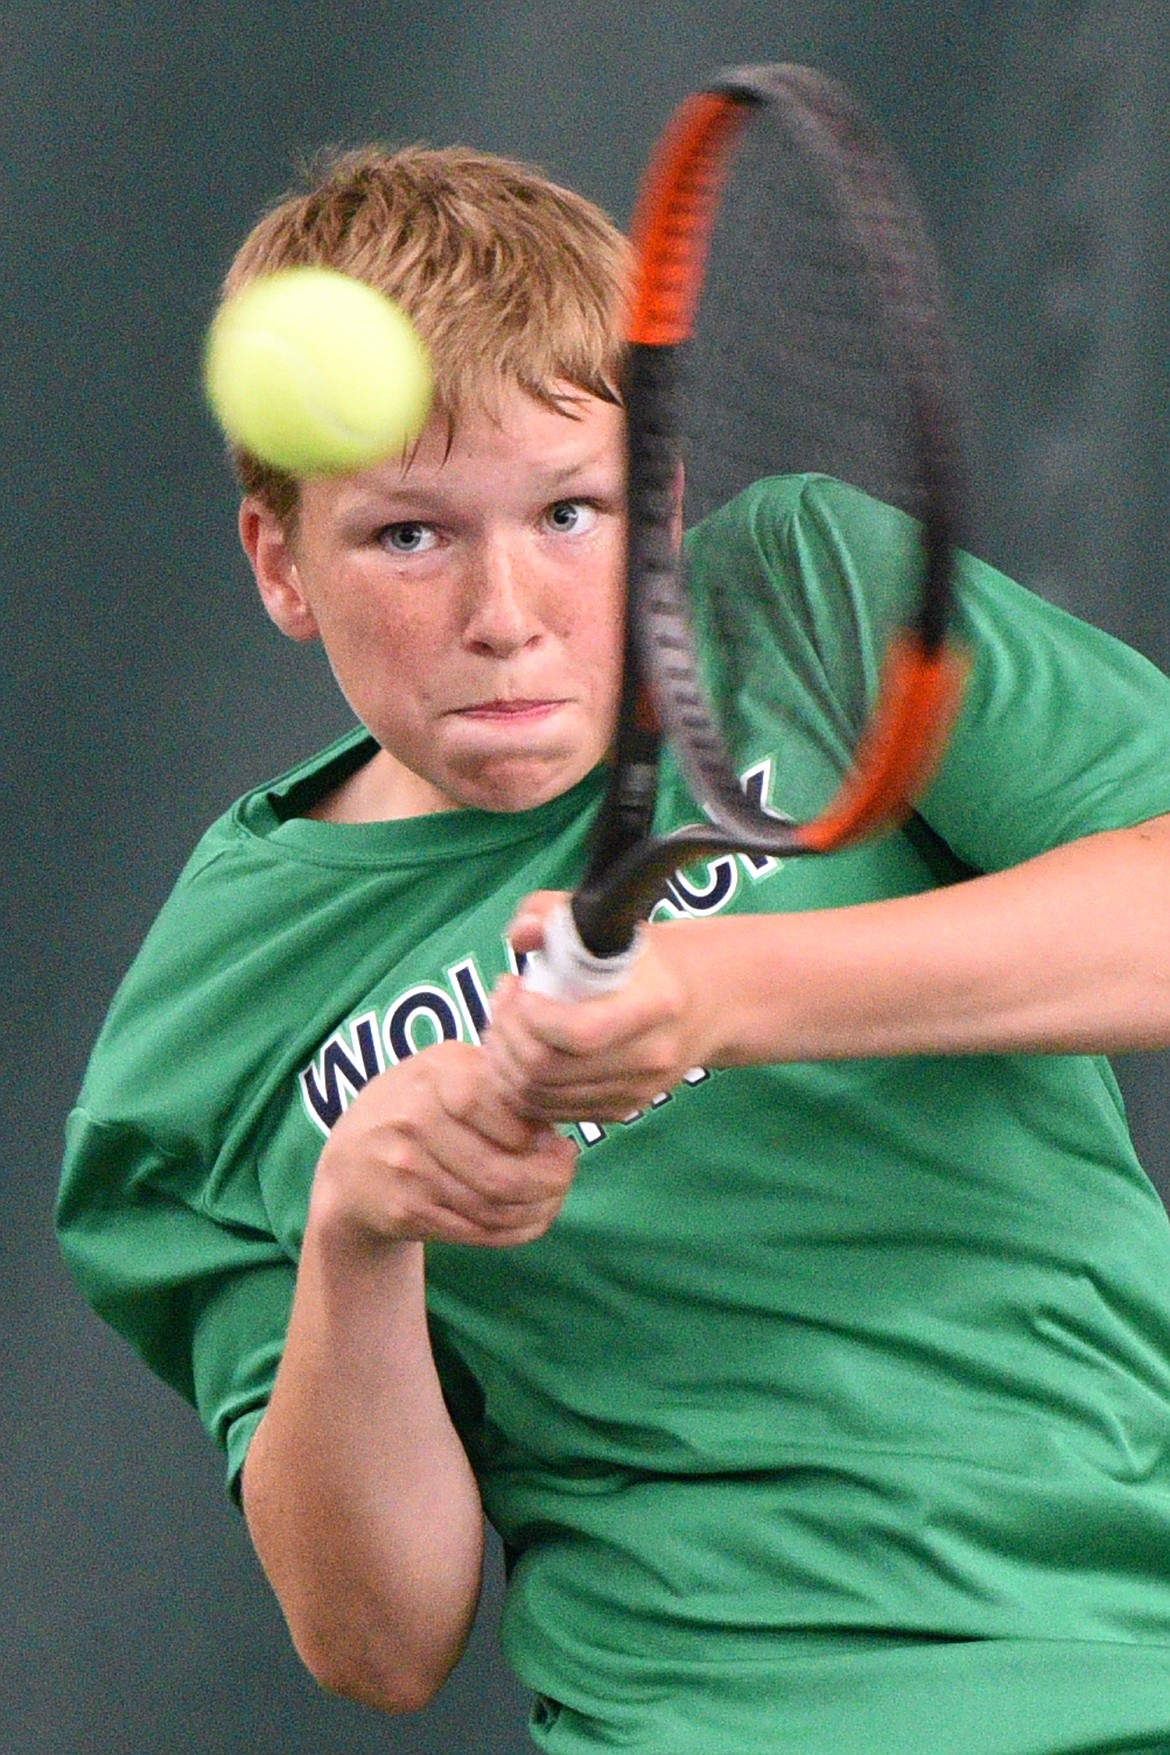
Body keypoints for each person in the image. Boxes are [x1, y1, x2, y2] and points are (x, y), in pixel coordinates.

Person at [57, 144, 1170, 1755]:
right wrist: (355, 1239)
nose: (504, 610)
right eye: (408, 539)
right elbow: (378, 1642)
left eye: (568, 512)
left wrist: (714, 995)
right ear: (279, 563)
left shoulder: (805, 600)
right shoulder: (198, 1048)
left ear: (654, 507)